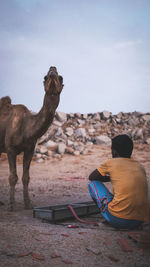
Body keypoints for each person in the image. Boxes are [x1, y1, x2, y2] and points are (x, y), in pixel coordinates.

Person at [88, 134, 150, 229]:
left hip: (118, 220)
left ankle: (107, 217)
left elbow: (92, 177)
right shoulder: (140, 166)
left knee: (93, 184)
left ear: (115, 152)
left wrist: (108, 178)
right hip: (139, 221)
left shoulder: (111, 163)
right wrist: (113, 177)